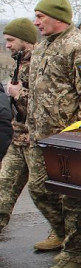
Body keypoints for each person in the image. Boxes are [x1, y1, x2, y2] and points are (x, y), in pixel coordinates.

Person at [26, 0, 81, 268]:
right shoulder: (41, 48)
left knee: (73, 199)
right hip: (40, 137)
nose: (36, 22)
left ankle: (75, 254)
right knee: (38, 189)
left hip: (69, 140)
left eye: (41, 16)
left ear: (58, 17)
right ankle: (79, 237)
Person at [0, 19, 39, 236]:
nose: (7, 45)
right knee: (4, 185)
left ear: (25, 40)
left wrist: (18, 94)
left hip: (37, 139)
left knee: (44, 192)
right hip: (18, 137)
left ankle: (65, 234)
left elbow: (48, 105)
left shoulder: (40, 64)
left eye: (11, 40)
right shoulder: (18, 62)